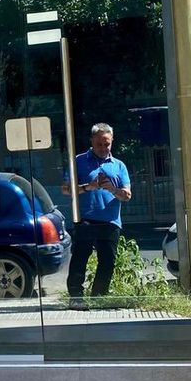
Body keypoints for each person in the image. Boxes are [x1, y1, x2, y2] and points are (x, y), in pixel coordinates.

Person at [62, 123, 131, 310]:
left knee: (107, 261)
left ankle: (99, 298)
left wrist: (112, 189)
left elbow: (127, 195)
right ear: (91, 141)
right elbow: (66, 189)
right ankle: (76, 297)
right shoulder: (78, 161)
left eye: (106, 144)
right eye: (99, 144)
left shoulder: (119, 166)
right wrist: (89, 187)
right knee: (80, 258)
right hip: (85, 218)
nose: (103, 148)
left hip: (110, 220)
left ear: (112, 141)